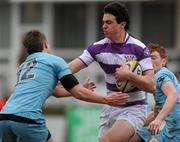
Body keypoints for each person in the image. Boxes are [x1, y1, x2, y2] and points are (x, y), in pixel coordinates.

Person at [0, 30, 130, 142]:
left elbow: (54, 91)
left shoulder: (23, 66)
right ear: (45, 44)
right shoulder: (54, 61)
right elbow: (77, 92)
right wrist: (107, 99)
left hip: (4, 117)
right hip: (27, 117)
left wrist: (81, 89)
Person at [64, 2, 156, 142]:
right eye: (103, 22)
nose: (104, 26)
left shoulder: (139, 48)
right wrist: (51, 74)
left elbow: (151, 85)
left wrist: (129, 75)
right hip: (110, 107)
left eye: (109, 22)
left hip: (134, 109)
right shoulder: (97, 48)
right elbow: (68, 69)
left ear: (122, 24)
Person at [129, 43, 180, 142]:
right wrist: (133, 124)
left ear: (164, 61)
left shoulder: (161, 74)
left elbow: (173, 96)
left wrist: (159, 120)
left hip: (176, 128)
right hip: (172, 128)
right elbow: (156, 112)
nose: (150, 62)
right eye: (147, 59)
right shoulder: (155, 81)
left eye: (153, 58)